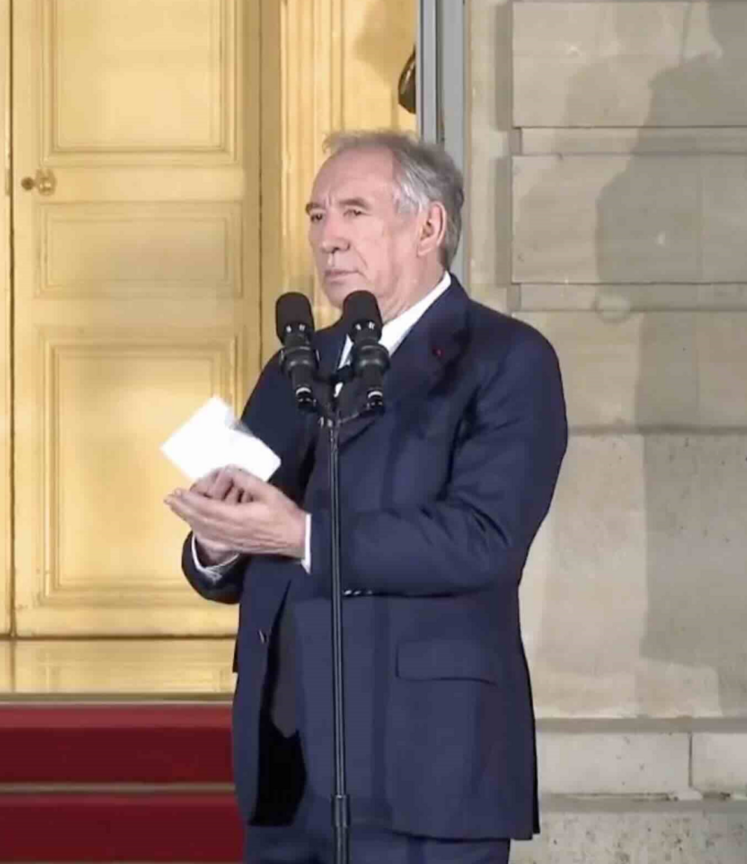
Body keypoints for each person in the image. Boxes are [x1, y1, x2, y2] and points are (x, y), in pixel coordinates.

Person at [165, 130, 567, 864]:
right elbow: (242, 543)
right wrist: (216, 544)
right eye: (318, 216)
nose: (328, 238)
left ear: (427, 226)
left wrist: (303, 536)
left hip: (424, 764)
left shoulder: (504, 359)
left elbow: (482, 540)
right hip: (286, 765)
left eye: (353, 211)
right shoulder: (298, 360)